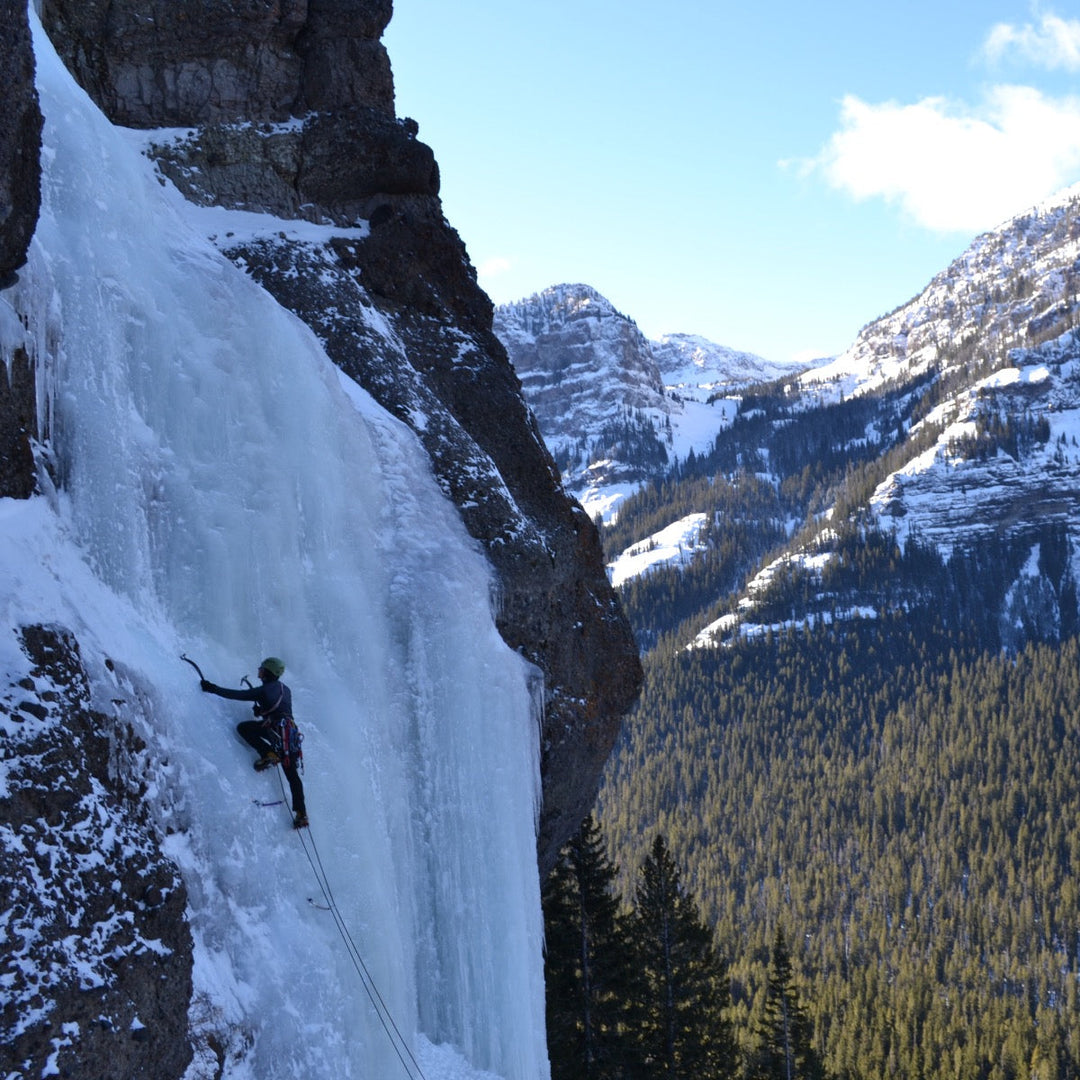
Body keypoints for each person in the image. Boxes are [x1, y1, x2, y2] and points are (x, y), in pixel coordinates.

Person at [201, 656, 308, 829]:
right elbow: (280, 708)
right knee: (292, 775)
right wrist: (262, 710)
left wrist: (212, 688)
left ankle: (268, 754)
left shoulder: (263, 691)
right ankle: (301, 814)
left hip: (274, 730)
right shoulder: (285, 689)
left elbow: (237, 695)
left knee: (244, 728)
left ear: (267, 671)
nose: (259, 670)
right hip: (290, 736)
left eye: (262, 668)